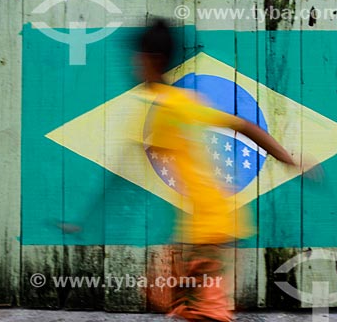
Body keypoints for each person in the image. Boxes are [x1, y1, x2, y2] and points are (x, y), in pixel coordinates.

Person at [136, 19, 321, 322]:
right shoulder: (178, 102)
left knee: (205, 312)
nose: (134, 67)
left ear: (150, 60)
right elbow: (244, 126)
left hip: (208, 226)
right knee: (189, 307)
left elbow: (245, 125)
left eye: (137, 59)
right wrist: (288, 159)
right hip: (207, 222)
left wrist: (289, 160)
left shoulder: (171, 105)